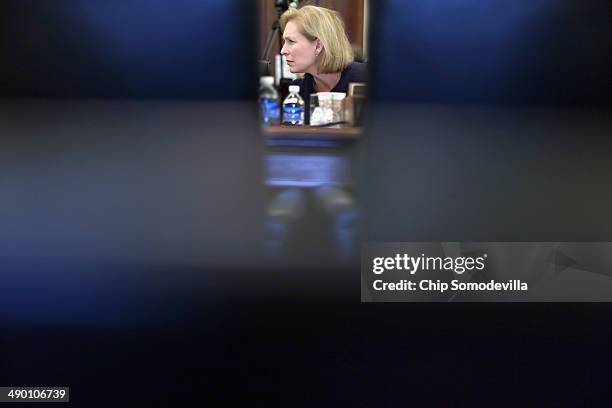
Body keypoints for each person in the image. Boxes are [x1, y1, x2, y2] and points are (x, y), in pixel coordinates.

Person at [280, 5, 367, 123]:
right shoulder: (298, 92)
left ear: (318, 46)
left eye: (291, 41)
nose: (283, 50)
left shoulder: (366, 79)